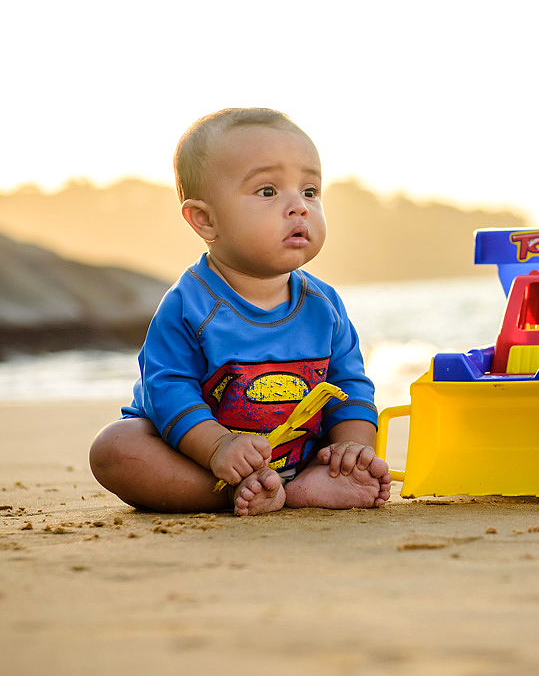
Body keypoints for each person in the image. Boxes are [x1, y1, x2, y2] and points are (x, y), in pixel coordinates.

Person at [89, 108, 391, 516]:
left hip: (297, 452)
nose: (299, 207)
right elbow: (167, 390)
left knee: (346, 436)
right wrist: (218, 446)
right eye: (268, 191)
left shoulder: (325, 306)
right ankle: (232, 492)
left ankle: (304, 485)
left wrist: (352, 448)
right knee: (114, 447)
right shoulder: (189, 305)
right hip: (200, 458)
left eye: (310, 191)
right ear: (205, 220)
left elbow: (349, 385)